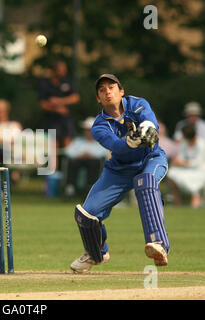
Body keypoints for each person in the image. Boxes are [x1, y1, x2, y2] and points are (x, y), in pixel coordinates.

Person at [70, 74, 170, 274]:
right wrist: (129, 142)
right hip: (120, 168)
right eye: (102, 90)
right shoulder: (99, 126)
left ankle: (158, 244)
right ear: (98, 98)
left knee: (146, 182)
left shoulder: (137, 103)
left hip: (150, 159)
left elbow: (149, 119)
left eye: (111, 87)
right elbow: (115, 145)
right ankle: (96, 251)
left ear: (121, 91)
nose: (107, 92)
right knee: (86, 215)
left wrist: (148, 128)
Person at [38, 60, 80, 170]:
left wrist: (59, 101)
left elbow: (75, 98)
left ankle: (69, 173)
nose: (63, 73)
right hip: (51, 120)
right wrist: (56, 109)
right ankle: (53, 174)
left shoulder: (67, 82)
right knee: (53, 149)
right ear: (54, 71)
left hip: (66, 121)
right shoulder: (45, 83)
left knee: (68, 148)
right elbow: (43, 104)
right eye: (61, 71)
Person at [63, 116, 107, 198]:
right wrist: (80, 155)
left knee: (93, 163)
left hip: (94, 162)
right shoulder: (78, 140)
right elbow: (68, 152)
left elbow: (104, 153)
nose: (88, 132)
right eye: (86, 130)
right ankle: (70, 187)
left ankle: (90, 187)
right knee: (72, 162)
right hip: (78, 161)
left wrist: (91, 155)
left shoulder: (101, 142)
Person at [167, 123, 205, 209]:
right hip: (185, 169)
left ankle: (195, 196)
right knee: (171, 174)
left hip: (199, 170)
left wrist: (182, 163)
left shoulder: (201, 144)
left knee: (197, 178)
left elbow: (198, 162)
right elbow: (181, 156)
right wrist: (177, 161)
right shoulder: (184, 143)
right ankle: (178, 203)